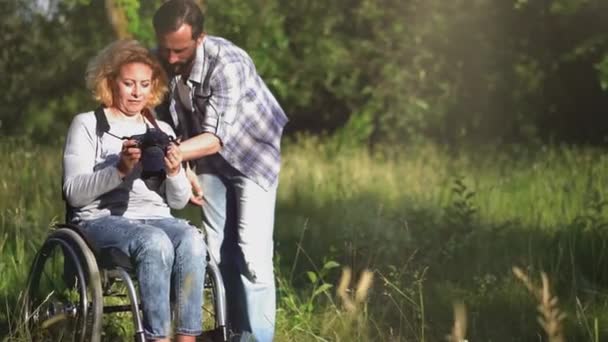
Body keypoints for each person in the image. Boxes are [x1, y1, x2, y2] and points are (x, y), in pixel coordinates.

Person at [153, 1, 289, 340]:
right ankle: (233, 333)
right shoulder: (165, 58)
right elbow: (168, 122)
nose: (170, 58)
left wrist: (177, 155)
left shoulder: (228, 63)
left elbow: (215, 137)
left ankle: (257, 337)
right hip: (209, 161)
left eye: (179, 50)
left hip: (251, 155)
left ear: (200, 38)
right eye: (165, 48)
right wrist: (186, 167)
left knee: (252, 255)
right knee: (217, 252)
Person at [62, 39, 205, 342]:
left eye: (144, 84)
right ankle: (157, 338)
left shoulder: (162, 130)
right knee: (153, 241)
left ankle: (187, 337)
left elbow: (177, 202)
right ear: (110, 81)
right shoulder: (87, 125)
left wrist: (176, 171)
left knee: (192, 237)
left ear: (153, 85)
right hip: (99, 221)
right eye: (128, 83)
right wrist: (119, 170)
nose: (137, 92)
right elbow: (73, 193)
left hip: (156, 216)